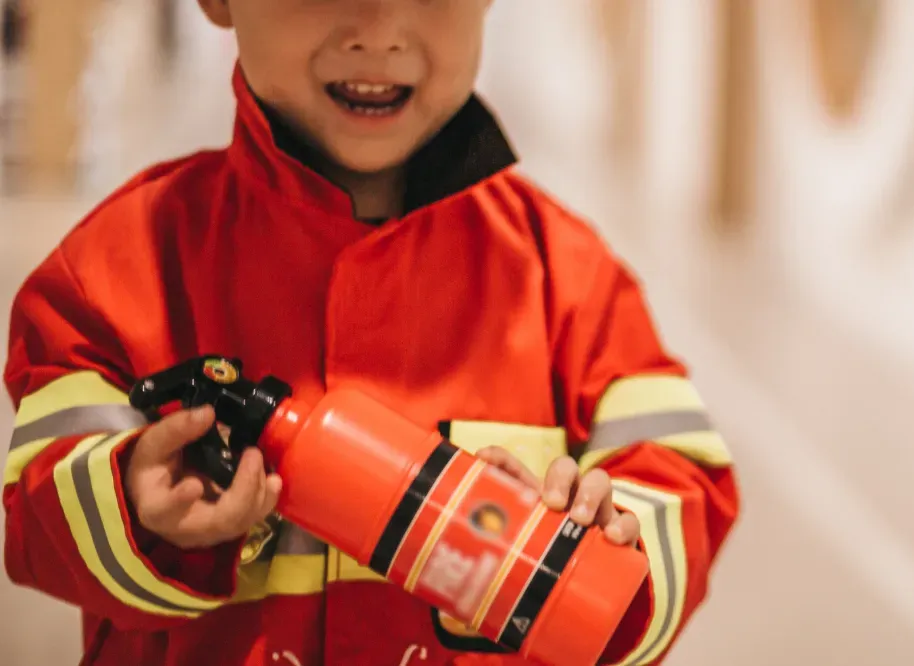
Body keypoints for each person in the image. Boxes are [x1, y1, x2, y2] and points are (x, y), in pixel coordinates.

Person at [2, 1, 740, 664]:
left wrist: (612, 537)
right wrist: (132, 508)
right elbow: (32, 517)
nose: (380, 32)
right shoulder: (117, 270)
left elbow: (687, 488)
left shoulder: (568, 280)